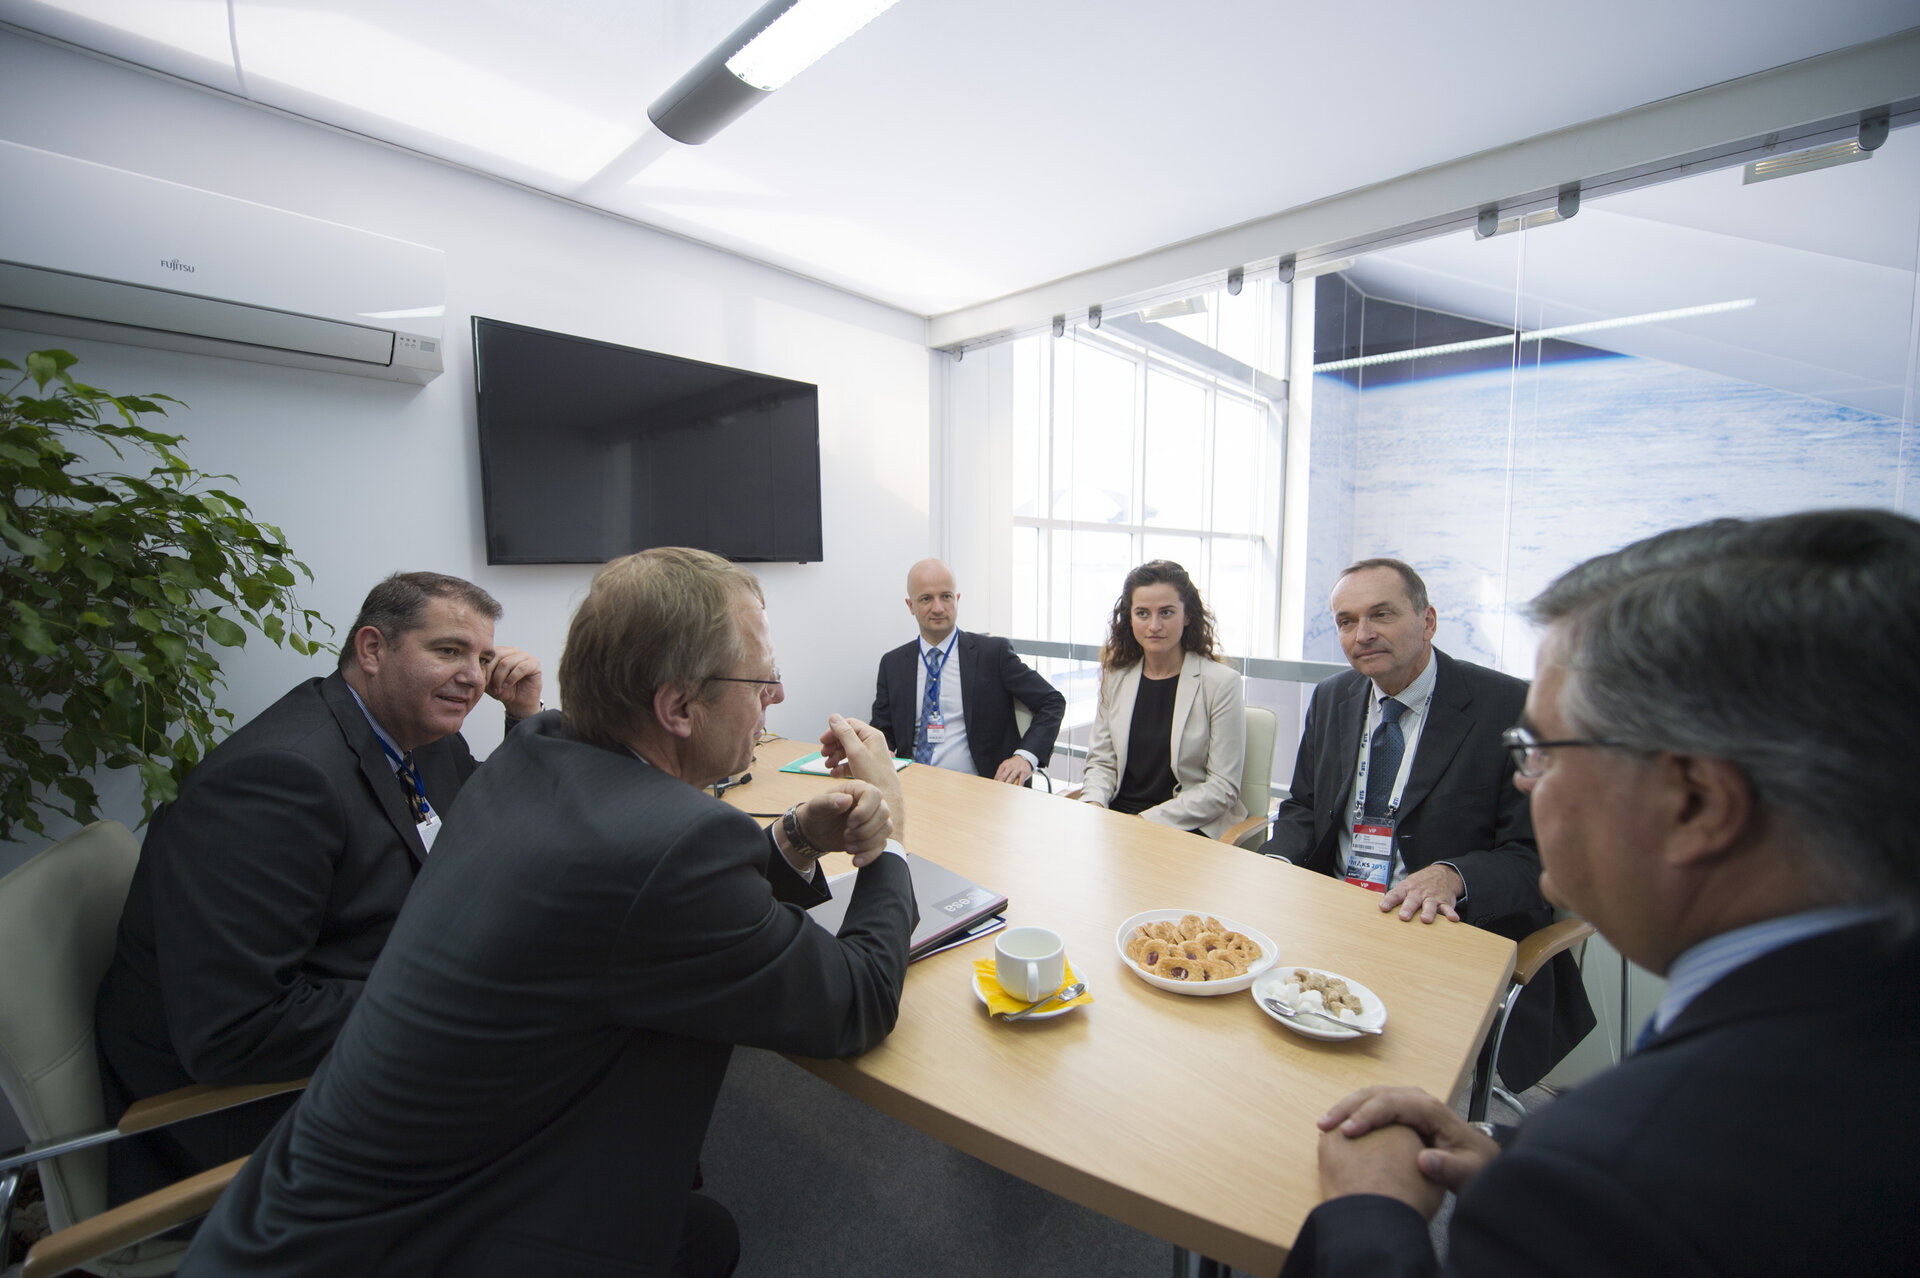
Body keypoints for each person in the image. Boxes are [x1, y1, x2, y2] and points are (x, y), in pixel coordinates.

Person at [179, 547, 917, 1278]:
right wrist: (892, 837)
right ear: (678, 707)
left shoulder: (536, 748)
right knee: (700, 1236)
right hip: (420, 1242)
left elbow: (643, 900)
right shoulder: (674, 845)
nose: (777, 695)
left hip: (301, 1218)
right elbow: (855, 1002)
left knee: (701, 1233)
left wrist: (792, 838)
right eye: (762, 678)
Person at [1283, 510, 1920, 1277]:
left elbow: (1640, 1187)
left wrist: (1370, 1212)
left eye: (1544, 751)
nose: (1526, 778)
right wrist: (1509, 1159)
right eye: (1346, 621)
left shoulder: (1600, 1179)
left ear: (1697, 803)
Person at [93, 571, 542, 1204]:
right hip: (246, 1120)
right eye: (448, 650)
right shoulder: (275, 782)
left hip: (364, 1025)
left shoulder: (420, 736)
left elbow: (489, 828)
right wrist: (458, 997)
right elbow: (237, 1031)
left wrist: (523, 718)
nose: (474, 675)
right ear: (372, 649)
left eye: (484, 658)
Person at [1258, 558, 1591, 1090]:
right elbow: (1303, 806)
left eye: (1381, 615)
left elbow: (1535, 856)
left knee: (1382, 1077)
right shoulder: (1333, 698)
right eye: (1346, 621)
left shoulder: (1508, 706)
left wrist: (1455, 875)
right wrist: (1276, 860)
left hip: (1442, 935)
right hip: (1336, 916)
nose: (1362, 634)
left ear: (1428, 621)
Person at [1079, 560, 1246, 838]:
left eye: (1166, 612)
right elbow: (1101, 762)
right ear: (1129, 618)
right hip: (1119, 820)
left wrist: (1144, 821)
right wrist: (1094, 803)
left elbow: (1222, 787)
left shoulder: (1220, 683)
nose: (1154, 625)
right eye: (1142, 613)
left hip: (1185, 824)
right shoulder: (1117, 676)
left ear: (1188, 616)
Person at [871, 558, 1065, 784]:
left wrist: (1025, 757)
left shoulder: (993, 654)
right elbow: (882, 731)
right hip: (913, 785)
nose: (938, 608)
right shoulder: (893, 664)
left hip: (982, 788)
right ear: (910, 605)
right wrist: (882, 751)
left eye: (946, 596)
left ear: (957, 599)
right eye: (926, 599)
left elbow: (1052, 701)